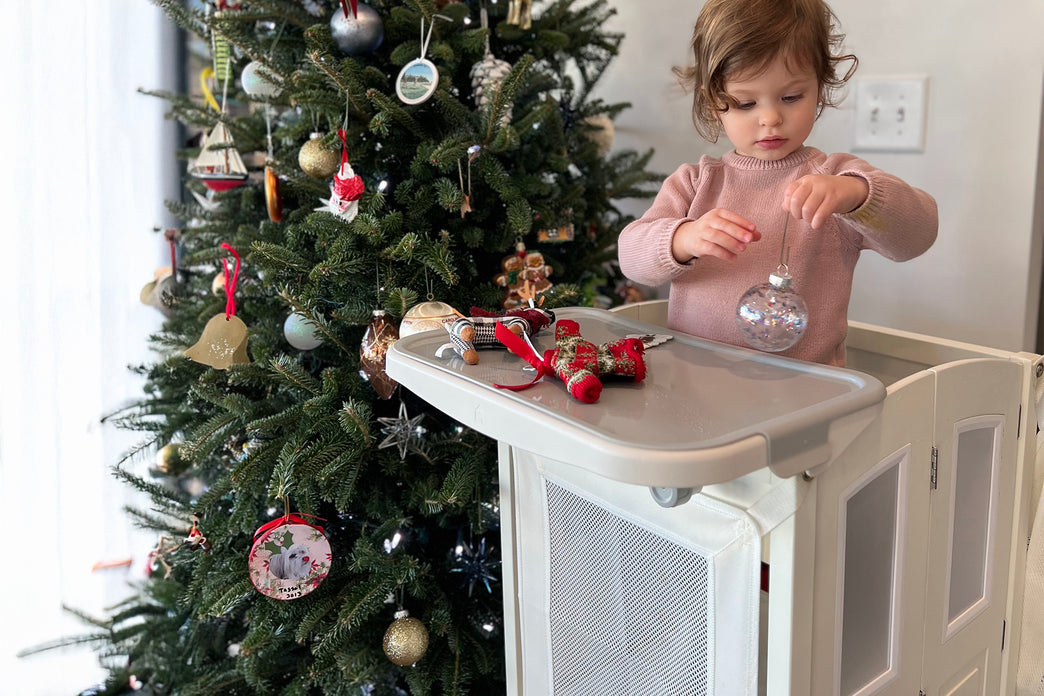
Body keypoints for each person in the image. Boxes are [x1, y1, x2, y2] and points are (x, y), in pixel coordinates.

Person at [617, 0, 937, 366]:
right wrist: (682, 239)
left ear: (820, 87)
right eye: (744, 103)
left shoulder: (836, 180)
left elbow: (919, 234)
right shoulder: (696, 182)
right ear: (712, 103)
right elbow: (630, 256)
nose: (770, 118)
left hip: (805, 398)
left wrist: (858, 196)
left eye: (790, 97)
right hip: (697, 389)